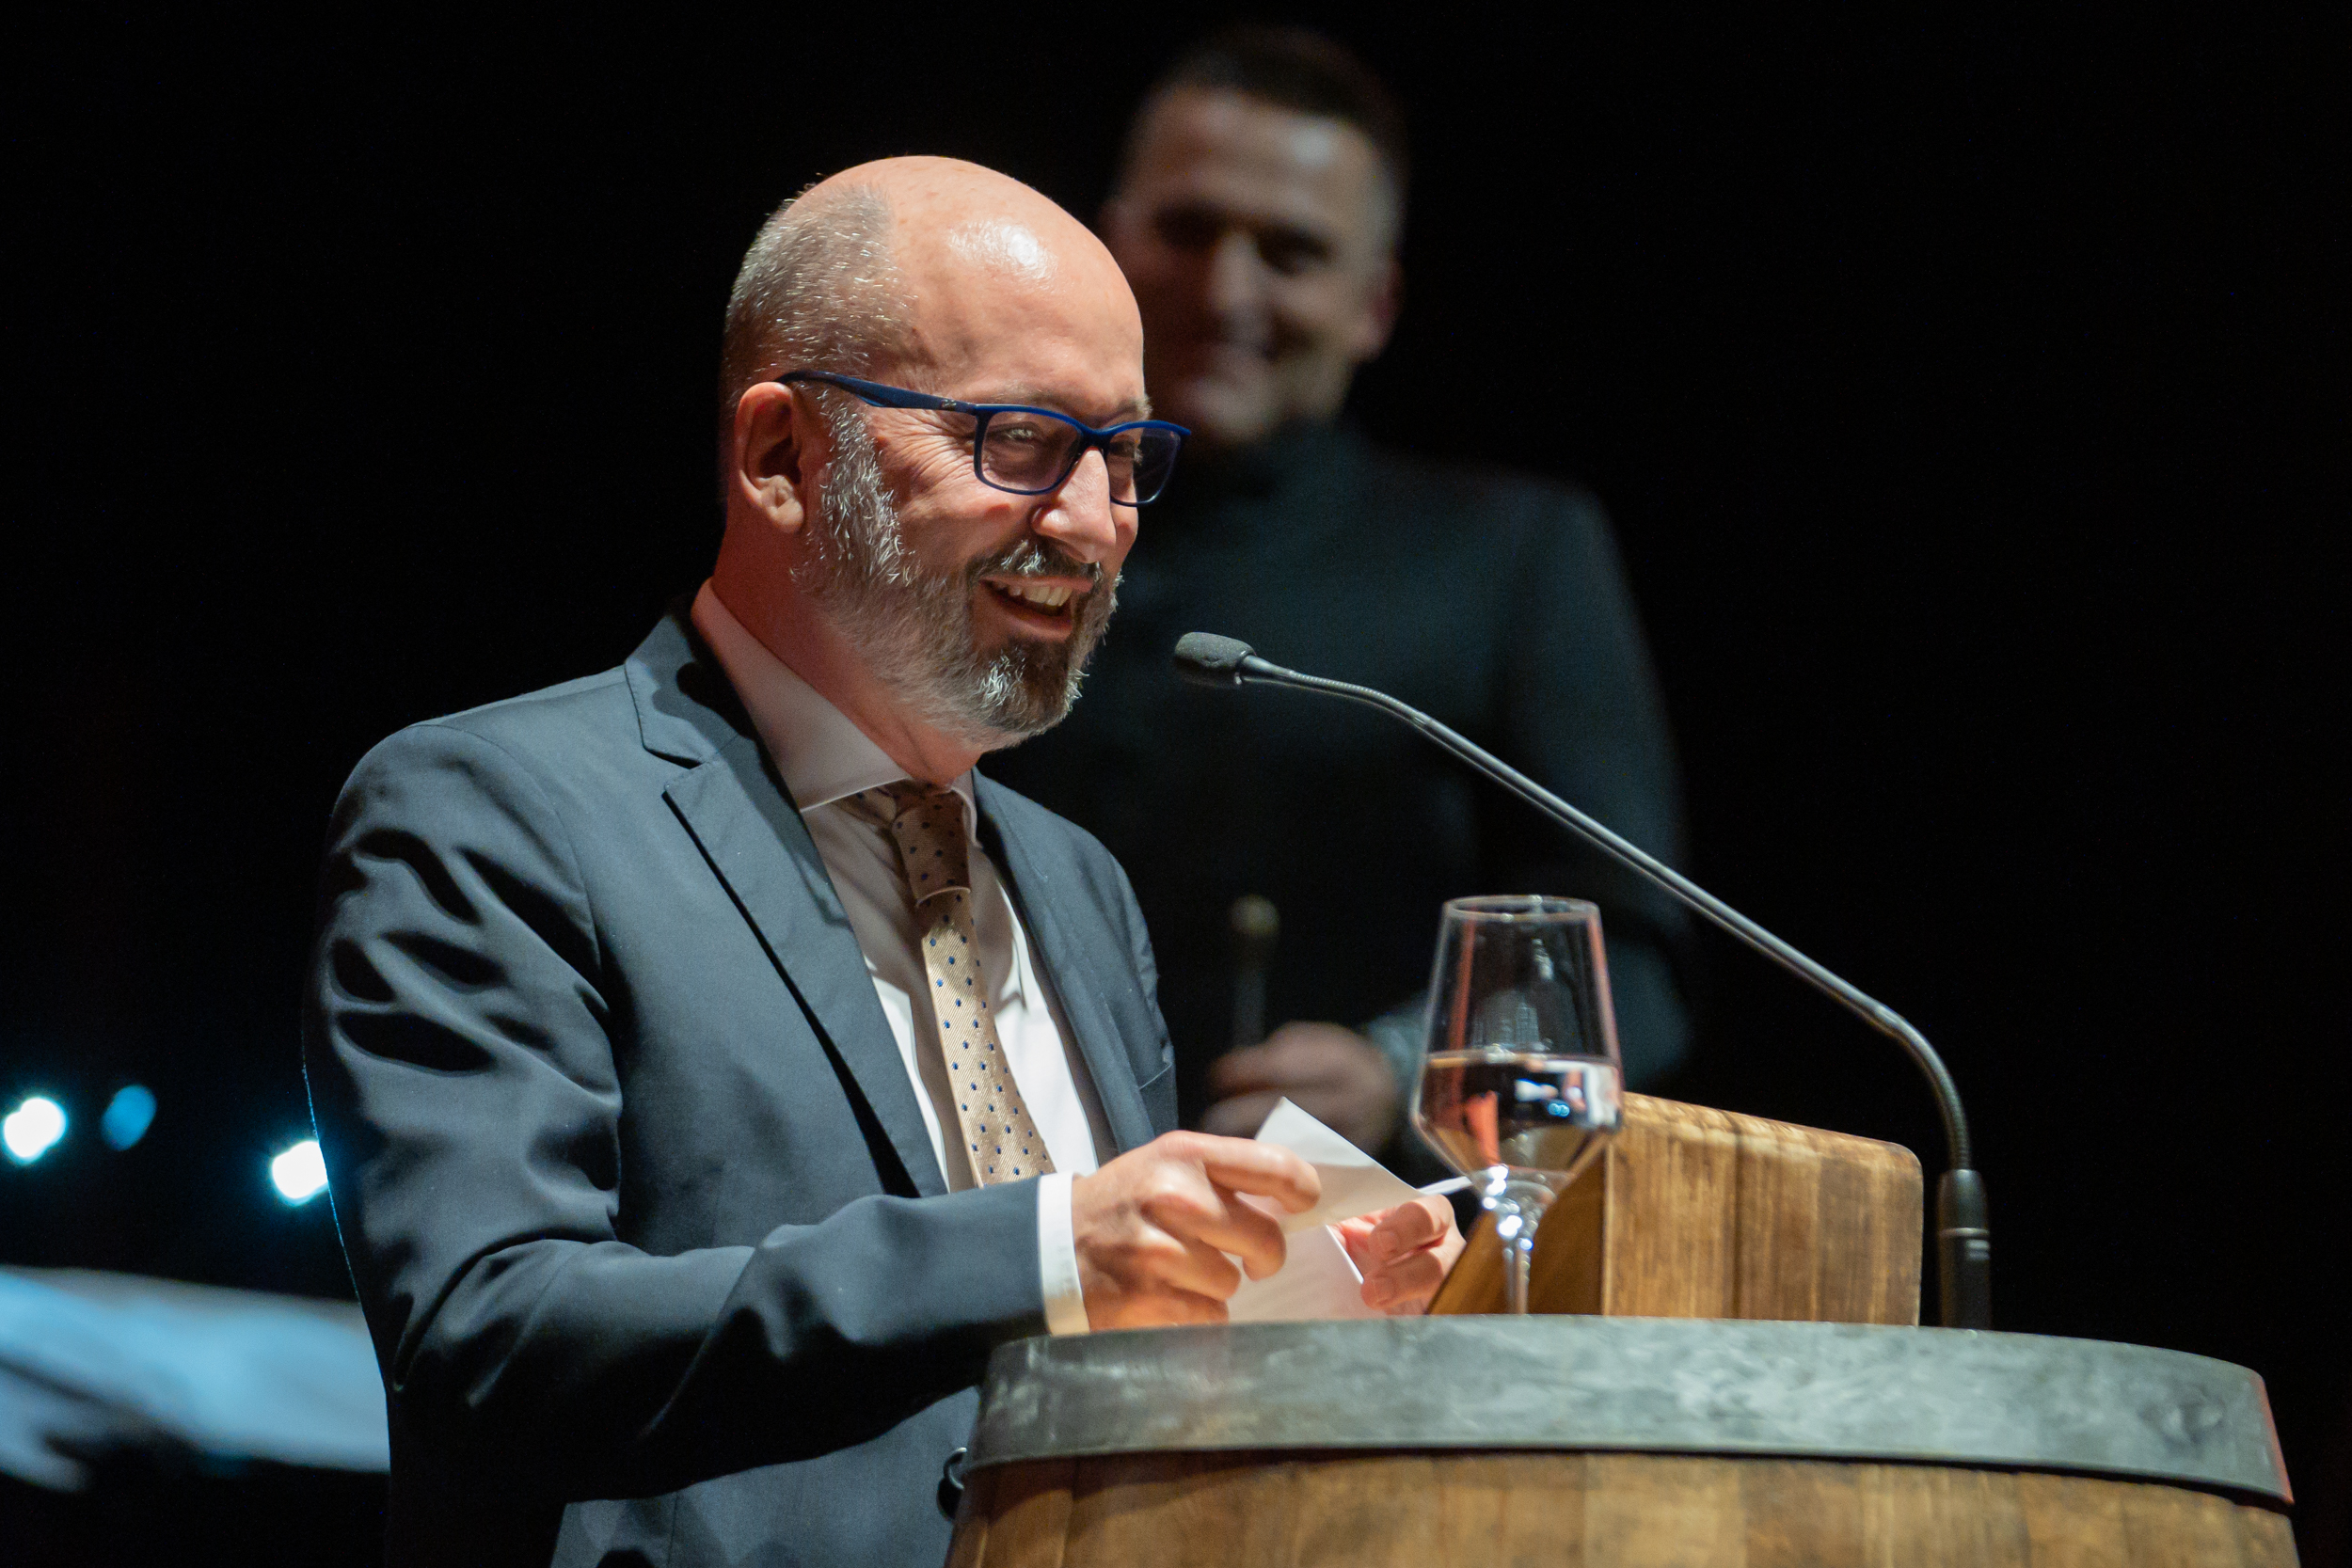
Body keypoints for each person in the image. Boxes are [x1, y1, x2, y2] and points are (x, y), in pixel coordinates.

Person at [302, 156, 1460, 1568]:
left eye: (1123, 455)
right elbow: (492, 1338)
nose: (1089, 522)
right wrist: (1046, 1244)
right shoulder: (498, 810)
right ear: (782, 456)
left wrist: (1290, 1319)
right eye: (1020, 439)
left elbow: (1100, 1372)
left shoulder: (1078, 883)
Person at [988, 28, 1694, 1163]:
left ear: (1373, 303)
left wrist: (1408, 1071)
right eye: (1186, 230)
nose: (1226, 290)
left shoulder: (1507, 553)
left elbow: (1631, 967)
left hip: (1342, 1231)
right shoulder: (978, 517)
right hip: (991, 1213)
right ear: (1106, 247)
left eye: (1291, 253)